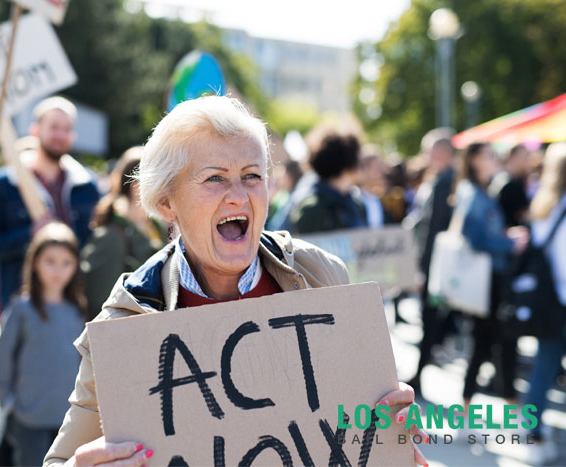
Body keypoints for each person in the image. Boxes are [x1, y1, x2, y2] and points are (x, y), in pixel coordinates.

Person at [43, 96, 429, 466]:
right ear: (166, 203)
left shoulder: (322, 277)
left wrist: (390, 434)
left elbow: (360, 424)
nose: (238, 196)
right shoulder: (128, 319)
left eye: (252, 176)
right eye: (215, 178)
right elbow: (59, 460)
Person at [0, 96, 101, 310]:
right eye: (54, 127)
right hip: (23, 304)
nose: (60, 135)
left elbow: (94, 243)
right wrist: (29, 234)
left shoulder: (87, 184)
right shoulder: (4, 185)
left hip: (75, 305)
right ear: (35, 130)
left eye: (67, 129)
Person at [0, 222, 88, 466]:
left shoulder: (78, 311)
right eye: (50, 261)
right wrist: (8, 401)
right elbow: (3, 358)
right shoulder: (22, 308)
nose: (58, 270)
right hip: (28, 417)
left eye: (66, 262)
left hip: (67, 418)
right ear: (35, 262)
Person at [451, 142, 529, 412]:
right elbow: (474, 240)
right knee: (495, 343)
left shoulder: (479, 191)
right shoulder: (474, 193)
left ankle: (467, 409)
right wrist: (509, 243)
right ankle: (509, 410)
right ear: (474, 160)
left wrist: (505, 238)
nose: (496, 160)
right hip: (487, 281)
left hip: (489, 279)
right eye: (489, 155)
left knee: (486, 343)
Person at [405, 129, 458, 396]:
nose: (427, 156)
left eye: (431, 150)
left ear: (443, 152)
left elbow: (433, 230)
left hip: (434, 266)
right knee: (430, 319)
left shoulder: (445, 182)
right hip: (436, 266)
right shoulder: (442, 180)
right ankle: (422, 368)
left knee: (431, 318)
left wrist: (421, 270)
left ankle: (421, 372)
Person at [81, 147, 164, 316]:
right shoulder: (111, 237)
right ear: (136, 186)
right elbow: (101, 304)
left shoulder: (155, 227)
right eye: (160, 181)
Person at [522, 143, 566, 463]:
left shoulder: (543, 203)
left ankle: (531, 427)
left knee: (545, 365)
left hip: (548, 300)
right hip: (561, 298)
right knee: (546, 365)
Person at [289, 125, 367, 233]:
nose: (361, 160)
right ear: (345, 159)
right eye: (357, 154)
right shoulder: (312, 209)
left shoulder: (357, 205)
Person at [489, 143, 531, 227]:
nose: (528, 161)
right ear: (513, 158)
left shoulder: (499, 177)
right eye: (525, 157)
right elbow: (524, 215)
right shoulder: (512, 185)